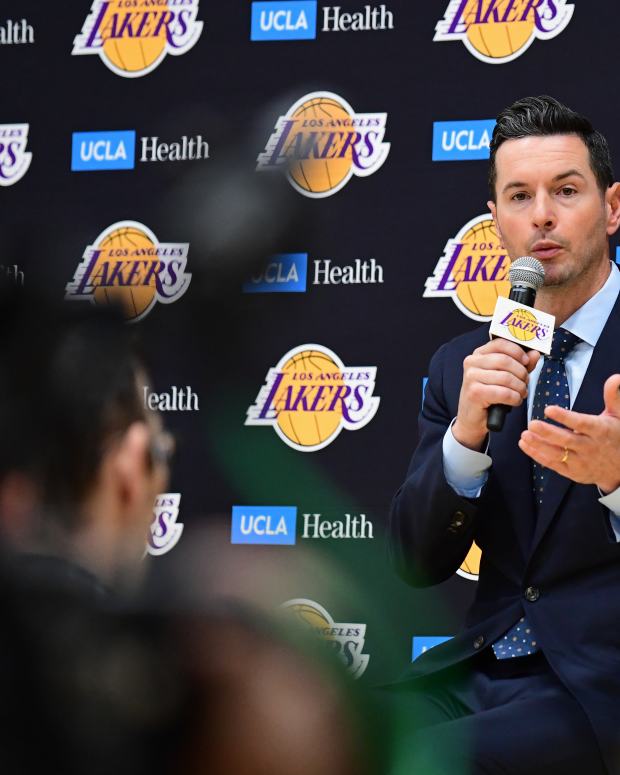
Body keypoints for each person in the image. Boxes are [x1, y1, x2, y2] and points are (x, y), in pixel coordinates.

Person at [389, 95, 620, 774]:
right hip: (481, 666)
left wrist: (617, 479)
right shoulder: (463, 365)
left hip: (602, 685)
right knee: (325, 741)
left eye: (566, 190)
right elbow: (417, 559)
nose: (541, 214)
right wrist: (464, 436)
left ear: (612, 208)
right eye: (519, 196)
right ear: (495, 223)